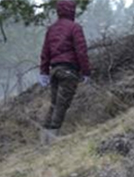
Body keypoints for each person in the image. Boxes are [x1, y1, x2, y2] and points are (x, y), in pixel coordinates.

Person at [38, 0, 91, 131]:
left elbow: (45, 53)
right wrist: (86, 72)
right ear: (71, 10)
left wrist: (44, 72)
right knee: (62, 105)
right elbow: (81, 51)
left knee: (54, 104)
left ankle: (45, 136)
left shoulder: (51, 29)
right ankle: (53, 137)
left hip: (54, 70)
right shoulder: (75, 28)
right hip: (69, 70)